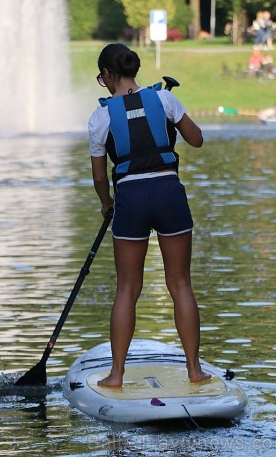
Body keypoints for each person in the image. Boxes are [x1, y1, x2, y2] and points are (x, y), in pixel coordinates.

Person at [88, 43, 211, 387]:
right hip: (169, 193)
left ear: (109, 75)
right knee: (180, 284)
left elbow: (99, 176)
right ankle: (194, 370)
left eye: (102, 78)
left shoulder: (100, 117)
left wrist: (106, 202)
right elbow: (197, 139)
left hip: (131, 198)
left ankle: (115, 375)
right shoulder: (165, 99)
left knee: (127, 289)